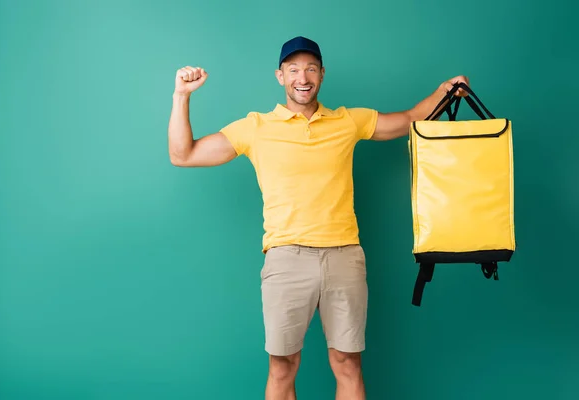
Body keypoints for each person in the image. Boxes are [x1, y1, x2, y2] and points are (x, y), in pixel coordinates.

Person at [167, 36, 469, 400]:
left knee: (347, 363)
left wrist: (444, 91)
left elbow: (410, 119)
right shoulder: (255, 128)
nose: (302, 76)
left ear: (322, 74)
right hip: (286, 259)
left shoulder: (347, 121)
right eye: (293, 69)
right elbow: (183, 154)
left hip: (344, 256)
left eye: (310, 68)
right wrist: (182, 96)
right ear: (280, 76)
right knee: (282, 367)